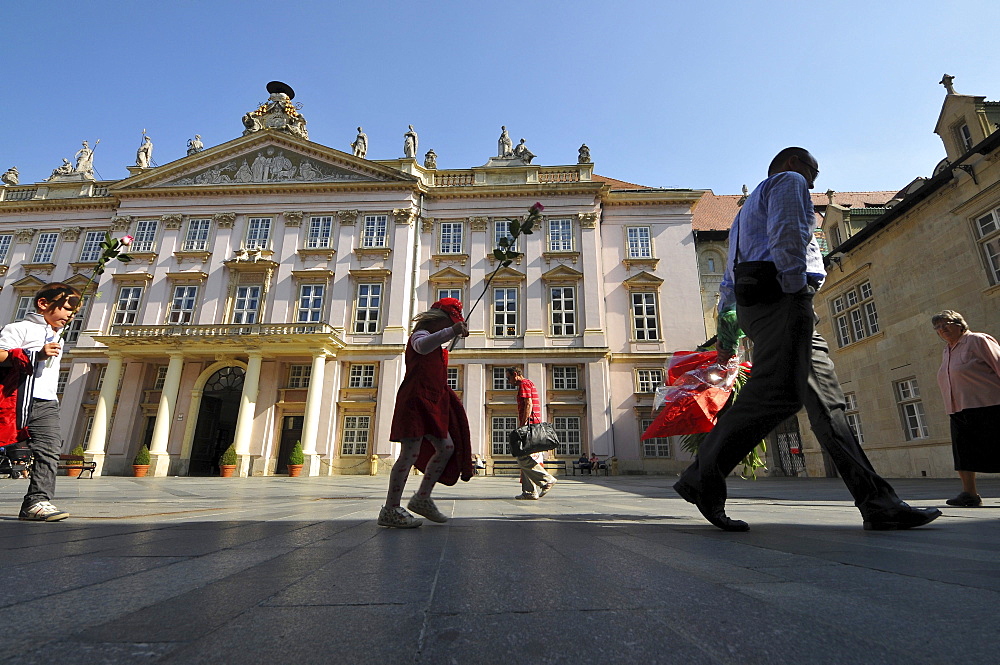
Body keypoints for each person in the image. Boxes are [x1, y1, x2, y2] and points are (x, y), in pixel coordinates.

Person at [674, 147, 941, 532]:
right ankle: (702, 478)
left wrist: (738, 321)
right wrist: (796, 288)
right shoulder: (789, 181)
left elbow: (730, 280)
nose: (813, 182)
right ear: (795, 163)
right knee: (800, 398)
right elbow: (790, 235)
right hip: (783, 296)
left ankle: (877, 501)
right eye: (813, 172)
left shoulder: (743, 213)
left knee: (801, 399)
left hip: (758, 304)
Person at [379, 298, 473, 528]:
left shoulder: (438, 343)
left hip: (433, 400)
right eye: (448, 322)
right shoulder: (419, 336)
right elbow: (422, 346)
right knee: (409, 453)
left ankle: (422, 497)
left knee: (447, 447)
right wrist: (451, 330)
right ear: (438, 320)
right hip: (416, 399)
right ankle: (390, 508)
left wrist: (451, 333)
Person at [0, 282, 82, 521]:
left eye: (73, 312)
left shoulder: (58, 337)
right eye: (66, 308)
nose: (69, 315)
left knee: (50, 449)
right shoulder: (19, 328)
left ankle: (36, 502)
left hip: (46, 402)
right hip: (14, 399)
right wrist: (36, 354)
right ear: (44, 304)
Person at [933, 310, 1000, 507]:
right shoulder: (947, 350)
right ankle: (969, 493)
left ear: (960, 324)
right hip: (958, 409)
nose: (942, 329)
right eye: (938, 327)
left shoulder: (978, 340)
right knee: (963, 452)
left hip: (989, 405)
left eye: (946, 324)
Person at [506, 367, 556, 500]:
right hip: (532, 425)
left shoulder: (524, 384)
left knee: (522, 456)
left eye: (509, 377)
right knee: (525, 457)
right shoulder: (529, 383)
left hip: (530, 425)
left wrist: (522, 426)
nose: (508, 381)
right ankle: (529, 492)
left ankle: (546, 480)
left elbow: (529, 404)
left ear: (515, 375)